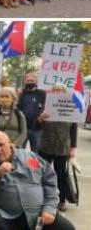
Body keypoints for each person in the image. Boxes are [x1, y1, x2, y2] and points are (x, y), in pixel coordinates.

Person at [0, 131, 75, 230]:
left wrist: (49, 208)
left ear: (10, 144)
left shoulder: (29, 159)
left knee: (66, 227)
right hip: (4, 212)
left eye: (1, 145)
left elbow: (49, 180)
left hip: (38, 211)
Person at [37, 84, 78, 212]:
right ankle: (40, 197)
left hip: (62, 147)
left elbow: (74, 130)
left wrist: (73, 148)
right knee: (42, 173)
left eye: (60, 91)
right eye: (55, 91)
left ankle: (61, 200)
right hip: (46, 147)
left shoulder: (70, 107)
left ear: (64, 93)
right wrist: (40, 118)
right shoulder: (45, 107)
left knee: (60, 175)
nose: (57, 93)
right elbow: (36, 126)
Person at [16, 73, 45, 152]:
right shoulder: (22, 93)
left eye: (32, 80)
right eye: (28, 80)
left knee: (36, 152)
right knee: (19, 151)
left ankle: (34, 164)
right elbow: (17, 107)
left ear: (36, 81)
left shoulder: (42, 94)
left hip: (37, 129)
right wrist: (18, 96)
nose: (30, 82)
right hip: (23, 128)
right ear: (25, 81)